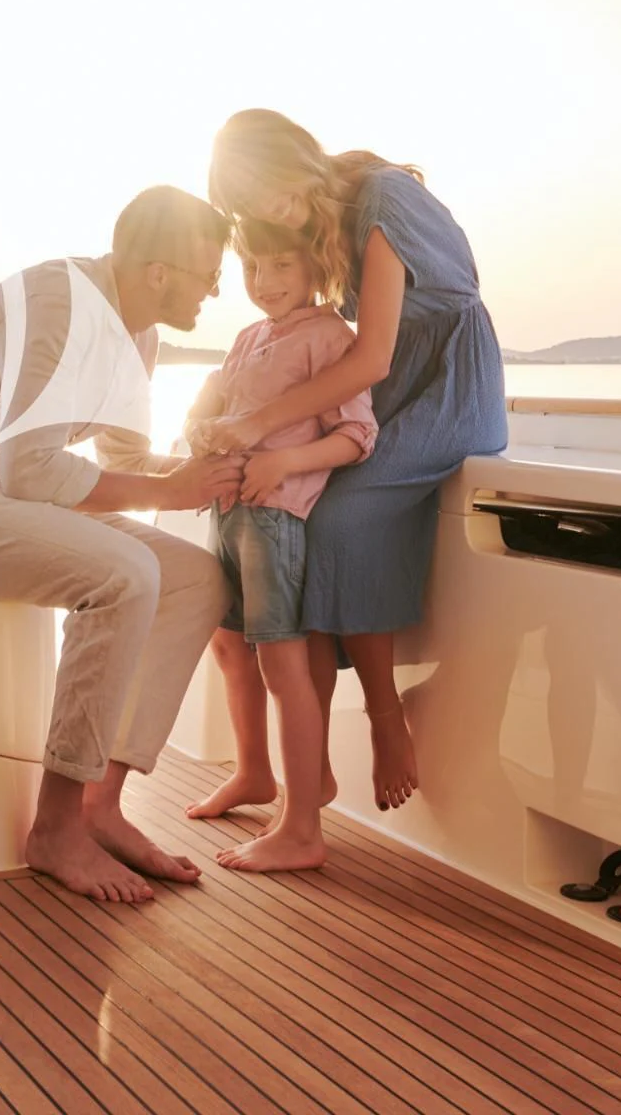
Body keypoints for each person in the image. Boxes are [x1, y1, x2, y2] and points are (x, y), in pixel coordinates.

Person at [0, 186, 246, 903]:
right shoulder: (60, 304)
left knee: (197, 580)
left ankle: (102, 805)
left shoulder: (138, 333)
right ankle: (56, 827)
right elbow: (31, 467)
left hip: (1, 497)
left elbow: (124, 462)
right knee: (125, 574)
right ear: (160, 271)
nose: (217, 291)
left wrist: (215, 469)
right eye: (209, 274)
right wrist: (173, 490)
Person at [199, 110, 508, 811]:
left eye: (266, 189)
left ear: (294, 156)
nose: (268, 209)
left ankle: (384, 718)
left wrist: (257, 421)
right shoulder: (321, 217)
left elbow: (369, 355)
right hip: (385, 388)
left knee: (334, 521)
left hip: (449, 385)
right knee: (300, 524)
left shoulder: (381, 201)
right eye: (249, 206)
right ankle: (308, 768)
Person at [180, 217, 375, 871]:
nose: (264, 283)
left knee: (281, 665)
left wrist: (282, 466)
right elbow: (219, 409)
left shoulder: (330, 338)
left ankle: (301, 827)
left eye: (280, 267)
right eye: (253, 269)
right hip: (228, 511)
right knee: (228, 645)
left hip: (274, 518)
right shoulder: (249, 337)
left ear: (316, 268)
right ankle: (254, 773)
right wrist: (201, 430)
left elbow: (355, 436)